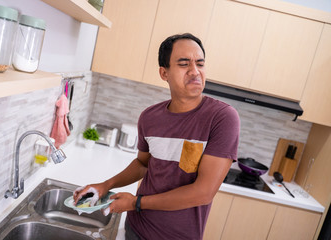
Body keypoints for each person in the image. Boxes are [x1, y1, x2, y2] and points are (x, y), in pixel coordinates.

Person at [74, 33, 240, 240]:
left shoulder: (222, 118)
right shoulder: (149, 118)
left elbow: (203, 192)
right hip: (136, 229)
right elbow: (143, 164)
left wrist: (136, 203)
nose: (195, 71)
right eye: (183, 64)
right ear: (164, 73)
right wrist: (105, 185)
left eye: (200, 63)